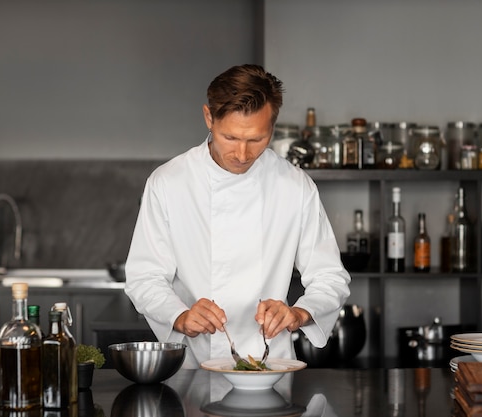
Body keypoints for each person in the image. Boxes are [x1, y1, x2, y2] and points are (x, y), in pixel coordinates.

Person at [124, 64, 350, 369]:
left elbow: (330, 278)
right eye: (230, 137)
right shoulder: (168, 182)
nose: (242, 154)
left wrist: (298, 313)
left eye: (256, 139)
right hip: (191, 365)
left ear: (272, 125)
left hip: (273, 364)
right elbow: (144, 277)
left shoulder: (295, 187)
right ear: (208, 118)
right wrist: (179, 315)